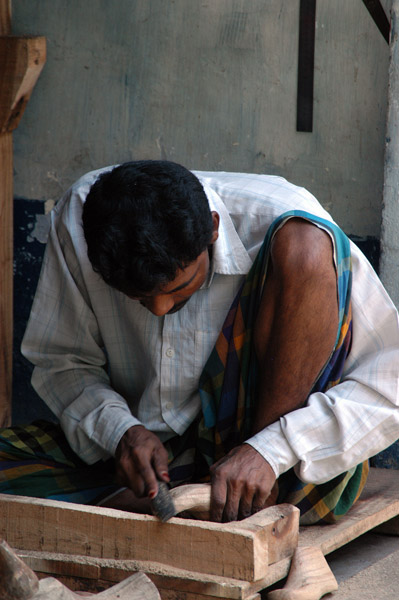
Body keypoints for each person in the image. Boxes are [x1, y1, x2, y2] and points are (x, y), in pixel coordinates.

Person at [3, 160, 398, 524]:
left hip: (275, 467)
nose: (158, 309)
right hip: (144, 464)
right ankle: (181, 505)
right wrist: (122, 431)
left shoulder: (280, 217)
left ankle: (222, 495)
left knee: (307, 248)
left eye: (180, 289)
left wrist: (269, 449)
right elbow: (62, 361)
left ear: (212, 228)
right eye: (138, 298)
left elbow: (390, 383)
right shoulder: (79, 221)